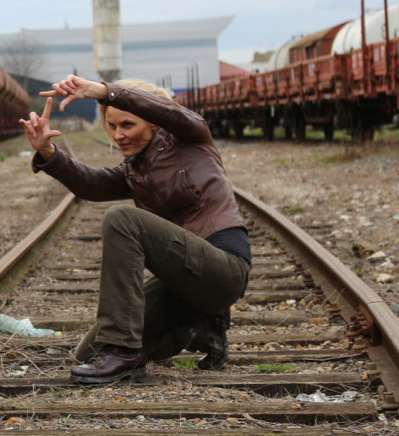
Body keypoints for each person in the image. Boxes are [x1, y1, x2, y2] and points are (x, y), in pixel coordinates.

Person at [19, 74, 250, 384]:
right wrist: (49, 153)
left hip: (223, 269)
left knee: (121, 219)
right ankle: (198, 328)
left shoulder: (191, 135)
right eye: (113, 126)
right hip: (184, 282)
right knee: (88, 354)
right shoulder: (133, 170)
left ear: (153, 122)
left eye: (128, 125)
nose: (118, 135)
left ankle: (124, 354)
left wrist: (103, 92)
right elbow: (92, 185)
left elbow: (168, 112)